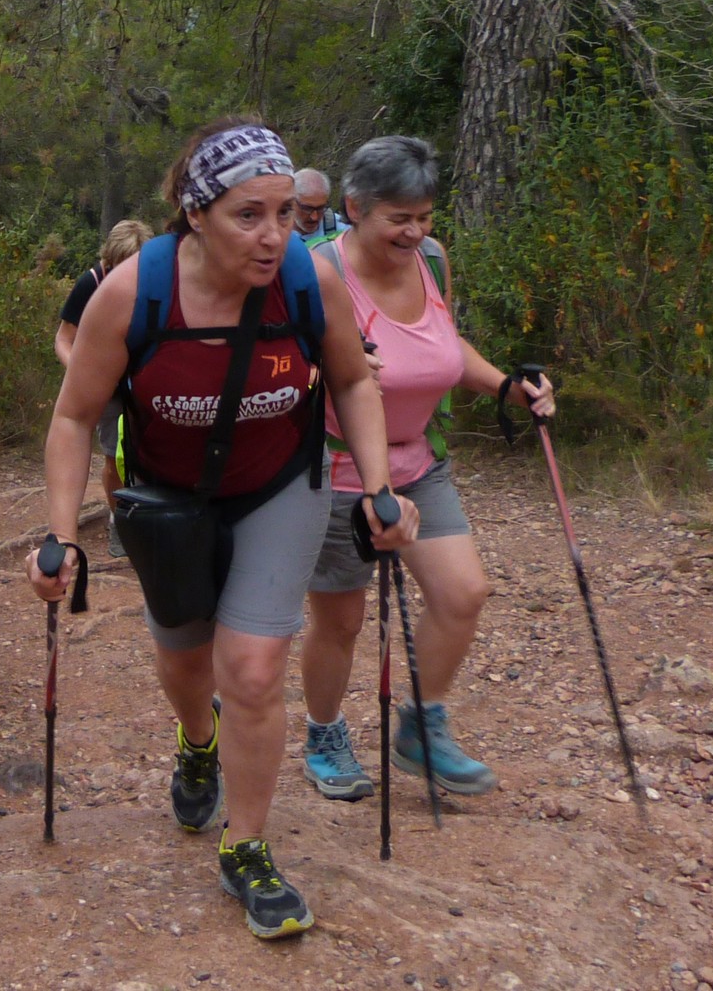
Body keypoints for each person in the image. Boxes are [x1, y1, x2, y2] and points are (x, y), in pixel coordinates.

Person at [29, 120, 417, 942]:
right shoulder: (134, 293)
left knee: (252, 667)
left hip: (279, 488)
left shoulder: (307, 281)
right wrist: (60, 534)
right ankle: (197, 739)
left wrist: (380, 489)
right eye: (249, 215)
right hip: (168, 502)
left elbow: (352, 382)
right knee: (185, 661)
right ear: (196, 214)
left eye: (284, 213)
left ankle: (246, 847)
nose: (274, 235)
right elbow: (72, 417)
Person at [297, 136, 555, 803]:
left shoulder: (432, 262)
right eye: (399, 218)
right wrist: (327, 366)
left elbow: (444, 344)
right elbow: (280, 368)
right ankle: (324, 736)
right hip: (336, 470)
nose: (414, 232)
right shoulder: (318, 273)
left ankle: (421, 727)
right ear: (356, 208)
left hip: (417, 460)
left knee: (463, 593)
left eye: (424, 216)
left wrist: (506, 388)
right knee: (342, 621)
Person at [56, 218, 154, 539]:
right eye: (119, 267)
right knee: (114, 457)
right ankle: (119, 522)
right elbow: (63, 339)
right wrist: (84, 374)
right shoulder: (92, 283)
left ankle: (153, 520)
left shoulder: (157, 281)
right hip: (107, 386)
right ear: (108, 260)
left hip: (145, 382)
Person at [294, 168, 348, 244]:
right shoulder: (278, 232)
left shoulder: (342, 230)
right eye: (307, 209)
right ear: (291, 201)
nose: (314, 217)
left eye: (320, 208)